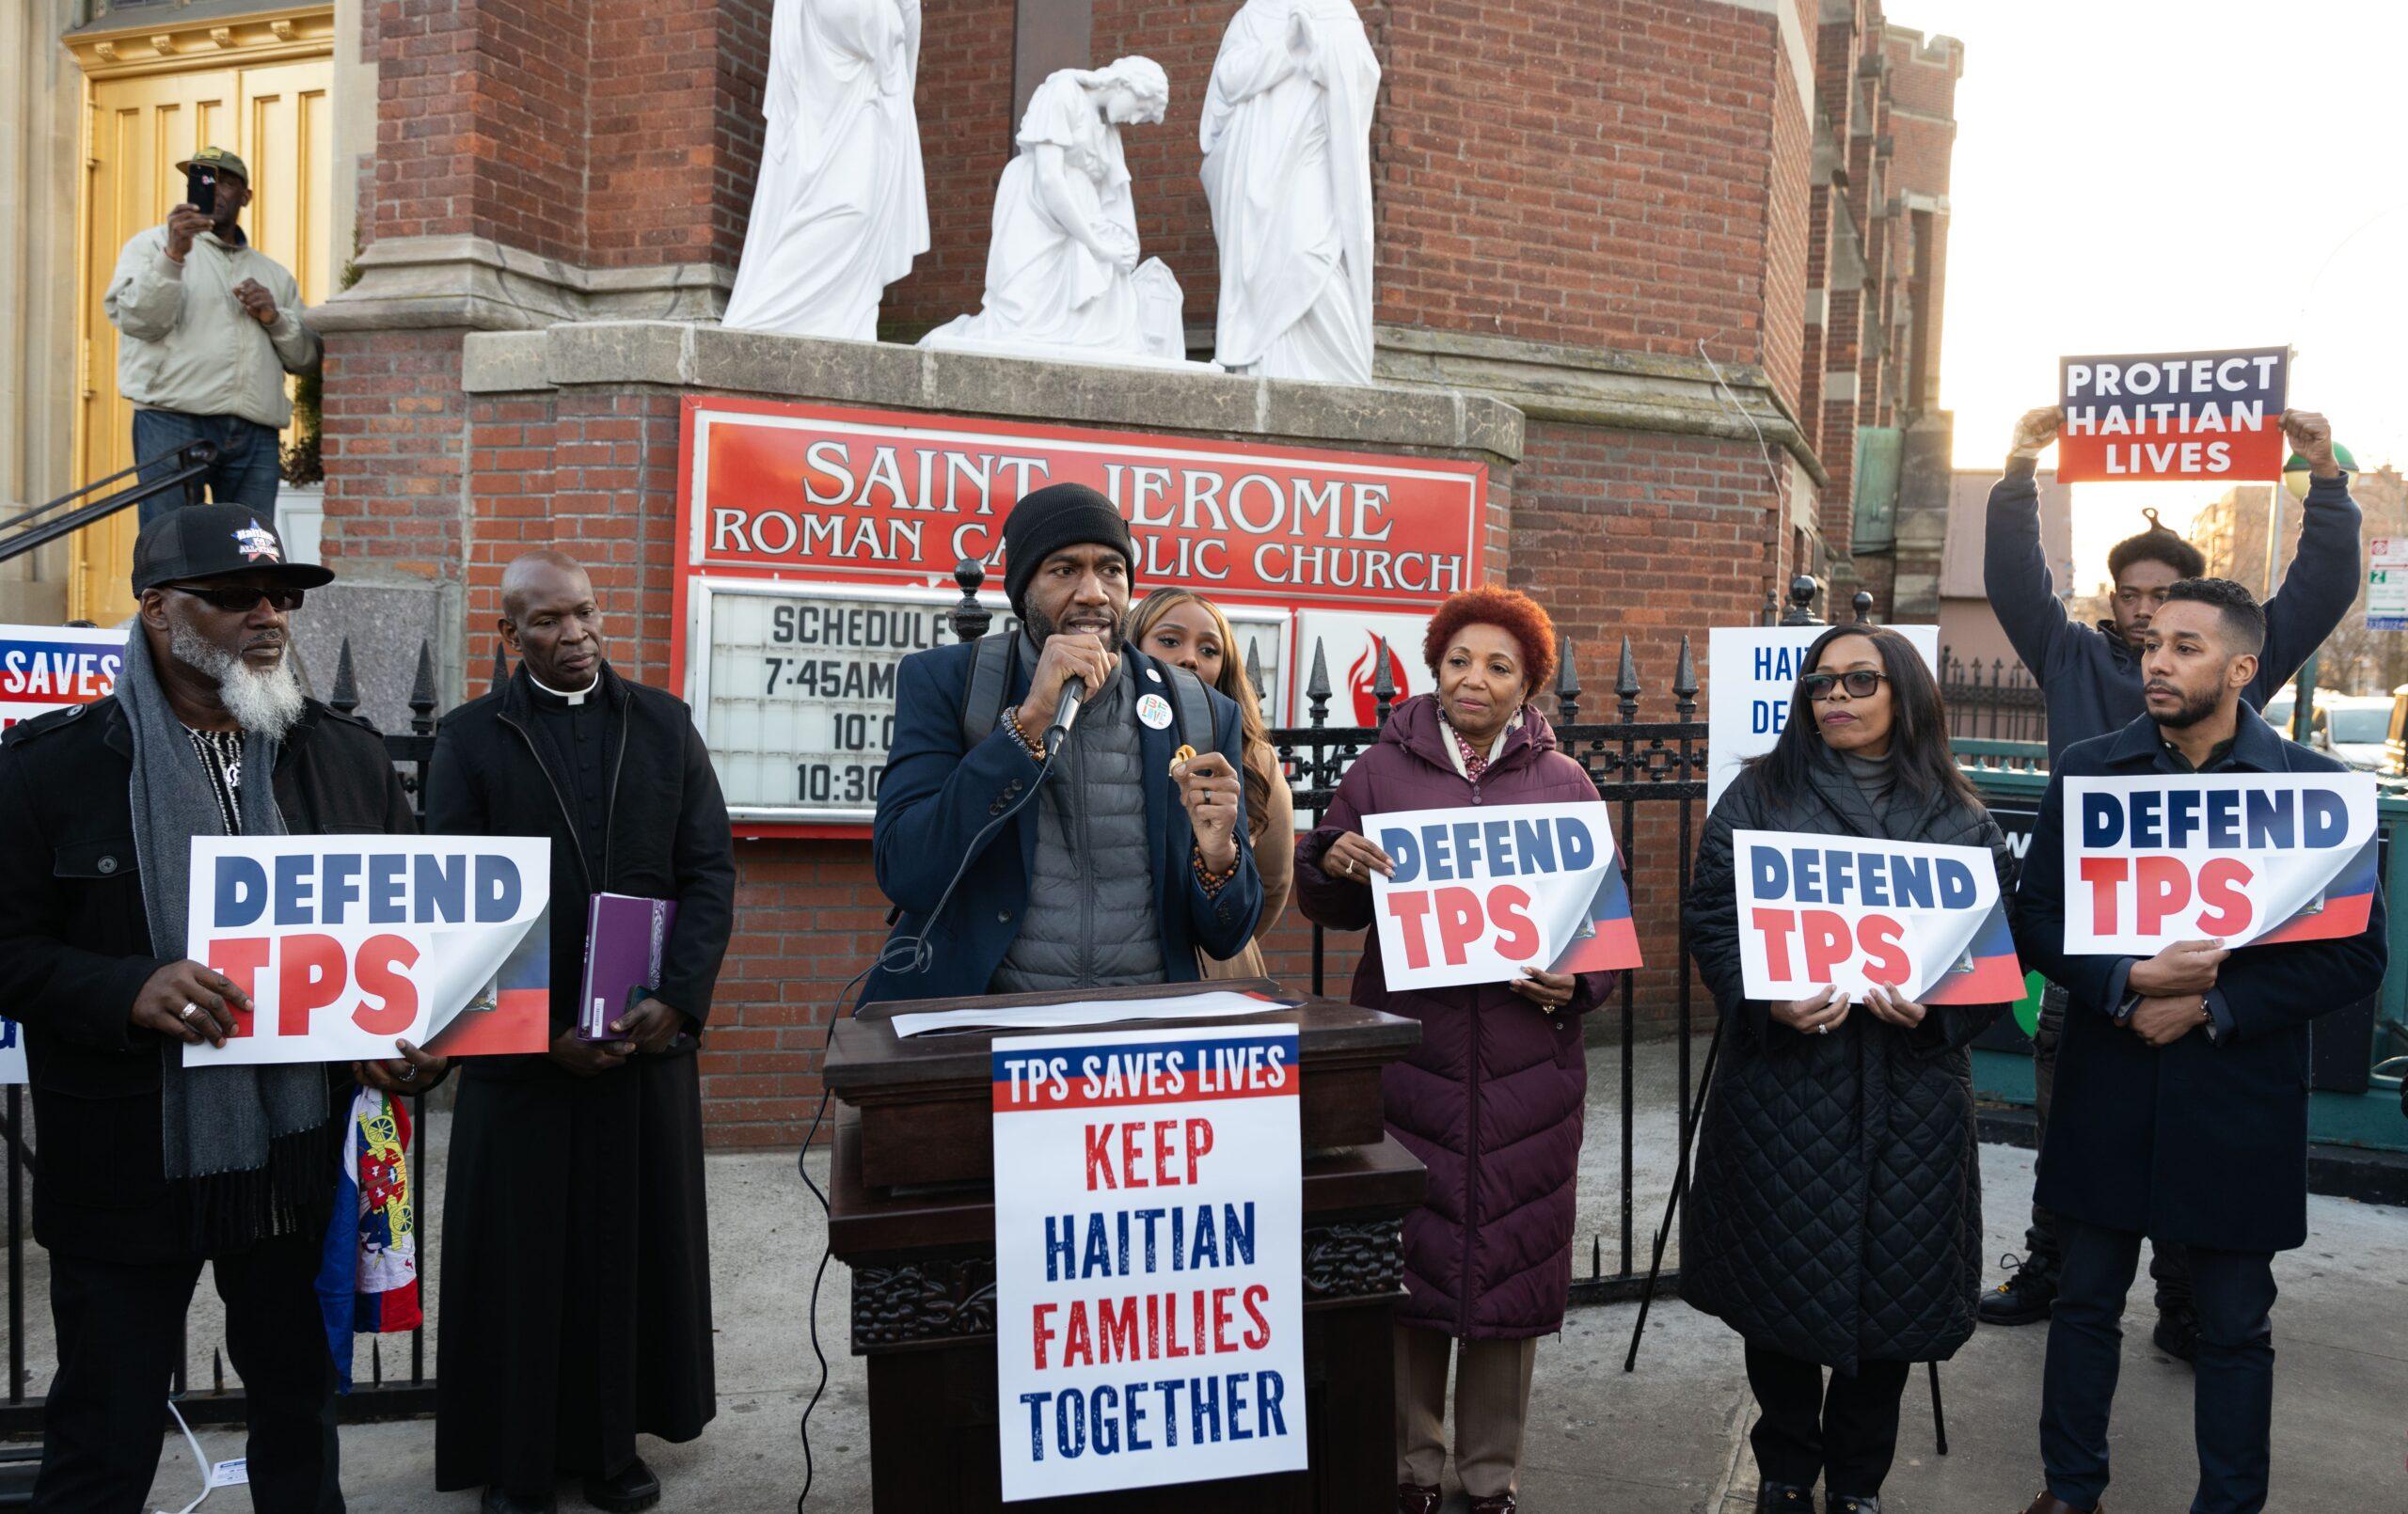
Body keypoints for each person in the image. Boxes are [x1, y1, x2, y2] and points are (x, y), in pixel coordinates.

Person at [0, 504, 436, 1511]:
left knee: (300, 1415)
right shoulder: (50, 768)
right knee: (103, 1431)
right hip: (126, 1153)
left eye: (281, 595)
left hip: (295, 1155)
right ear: (158, 608)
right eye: (235, 596)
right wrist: (127, 987)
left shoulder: (345, 757)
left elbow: (413, 938)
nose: (268, 615)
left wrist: (417, 1041)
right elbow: (11, 948)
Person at [1978, 405, 2360, 1354]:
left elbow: (2317, 589)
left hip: (2203, 960)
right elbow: (2013, 580)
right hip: (2097, 962)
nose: (2147, 612)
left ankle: (2185, 1298)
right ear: (2112, 603)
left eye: (2165, 597)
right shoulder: (2070, 655)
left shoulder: (2227, 674)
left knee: (2198, 1138)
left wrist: (2328, 483)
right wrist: (2018, 469)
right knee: (2069, 1125)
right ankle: (2052, 1261)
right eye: (2131, 594)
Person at [2013, 578, 2384, 1514]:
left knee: (2233, 1323)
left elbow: (2354, 955)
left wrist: (2213, 1008)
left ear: (2242, 667)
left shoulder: (2313, 789)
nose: (2157, 661)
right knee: (2084, 1302)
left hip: (2238, 1097)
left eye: (2185, 647)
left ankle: (2228, 1502)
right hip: (2108, 1081)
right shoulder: (2091, 771)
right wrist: (2127, 980)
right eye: (2151, 644)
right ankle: (2070, 1490)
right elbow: (2037, 919)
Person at [425, 551, 737, 1514]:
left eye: (587, 613)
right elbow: (452, 902)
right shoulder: (470, 738)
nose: (577, 636)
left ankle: (612, 1452)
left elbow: (708, 871)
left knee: (622, 1254)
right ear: (510, 635)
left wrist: (678, 998)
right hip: (523, 1059)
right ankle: (515, 1463)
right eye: (549, 621)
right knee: (521, 1264)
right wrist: (536, 1032)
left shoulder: (663, 723)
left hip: (642, 1047)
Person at [1291, 586, 1609, 1514]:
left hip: (1529, 1075)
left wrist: (1579, 984)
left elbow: (1601, 928)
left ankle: (1489, 1476)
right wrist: (1330, 859)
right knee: (1410, 1265)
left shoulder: (1567, 784)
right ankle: (1411, 1467)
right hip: (1409, 1063)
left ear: (1527, 685)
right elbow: (1329, 898)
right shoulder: (1378, 772)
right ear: (1435, 667)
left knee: (1512, 1275)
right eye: (1460, 659)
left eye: (1499, 665)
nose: (1475, 677)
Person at [1683, 624, 2013, 1514]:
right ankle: (1786, 1472)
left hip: (1912, 1101)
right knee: (1777, 1289)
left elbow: (1993, 967)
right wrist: (1765, 1000)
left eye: (1859, 680)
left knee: (1895, 1302)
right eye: (1821, 682)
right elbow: (1712, 919)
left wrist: (1939, 1013)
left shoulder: (1962, 818)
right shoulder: (1760, 795)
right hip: (1783, 1093)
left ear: (1905, 693)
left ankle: (1858, 1485)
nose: (1835, 696)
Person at [864, 482, 1261, 1006]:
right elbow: (906, 872)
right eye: (1064, 570)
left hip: (1142, 1031)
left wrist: (1218, 856)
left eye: (1111, 570)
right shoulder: (946, 682)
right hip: (986, 1026)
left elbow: (1227, 935)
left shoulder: (1204, 710)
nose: (1093, 592)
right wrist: (1027, 723)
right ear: (1024, 589)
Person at [103, 147, 322, 523]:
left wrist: (274, 318)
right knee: (170, 541)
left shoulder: (275, 275)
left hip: (254, 432)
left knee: (249, 546)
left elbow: (306, 359)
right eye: (204, 180)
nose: (215, 190)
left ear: (246, 196)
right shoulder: (151, 246)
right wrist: (172, 257)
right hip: (172, 420)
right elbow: (138, 321)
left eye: (227, 182)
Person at [923, 57, 1182, 358]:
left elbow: (1113, 196)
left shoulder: (1106, 128)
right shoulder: (1064, 92)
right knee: (1021, 309)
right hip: (1037, 205)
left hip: (1080, 218)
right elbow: (1050, 179)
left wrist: (1117, 242)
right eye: (1139, 109)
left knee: (1106, 310)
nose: (1135, 121)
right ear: (1125, 84)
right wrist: (1098, 246)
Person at [721, 0, 928, 339]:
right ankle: (764, 317)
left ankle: (839, 318)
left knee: (860, 212)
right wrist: (899, 14)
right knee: (849, 210)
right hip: (830, 123)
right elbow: (875, 28)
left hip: (860, 112)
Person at [1199, 0, 1381, 383]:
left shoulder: (1337, 13)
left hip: (1312, 156)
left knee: (1309, 250)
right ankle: (1264, 366)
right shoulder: (1252, 16)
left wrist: (1319, 48)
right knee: (1265, 259)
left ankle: (1345, 375)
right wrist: (1284, 48)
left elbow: (1363, 77)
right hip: (1256, 163)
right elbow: (1228, 81)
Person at [1128, 589, 1294, 979]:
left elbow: (1273, 883)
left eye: (1209, 650)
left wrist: (1223, 934)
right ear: (1133, 646)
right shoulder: (1102, 739)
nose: (1190, 658)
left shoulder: (1254, 757)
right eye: (1169, 641)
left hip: (1217, 970)